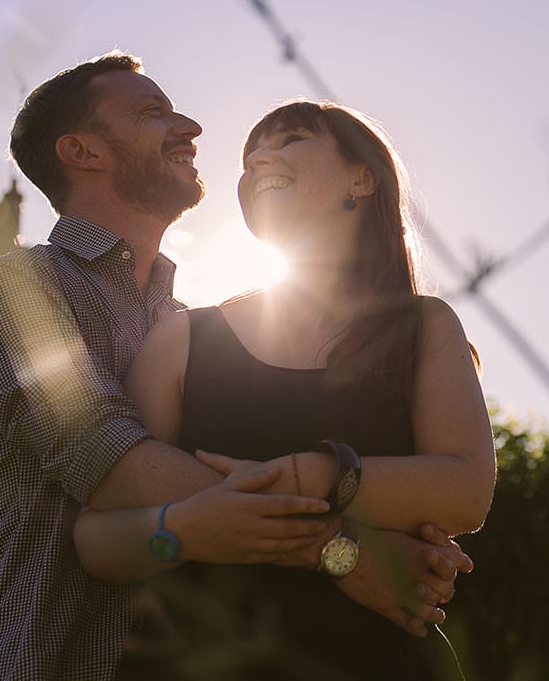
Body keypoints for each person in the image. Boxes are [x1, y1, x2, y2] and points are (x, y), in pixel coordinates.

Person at [0, 53, 470, 681]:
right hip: (50, 659)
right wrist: (341, 550)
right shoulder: (21, 288)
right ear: (83, 151)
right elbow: (109, 464)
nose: (191, 127)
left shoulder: (181, 322)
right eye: (153, 113)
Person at [72, 99, 496, 678]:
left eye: (291, 139)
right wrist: (183, 533)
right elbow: (98, 535)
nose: (260, 159)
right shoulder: (182, 338)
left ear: (362, 177)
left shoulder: (426, 328)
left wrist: (317, 473)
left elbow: (466, 491)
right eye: (249, 158)